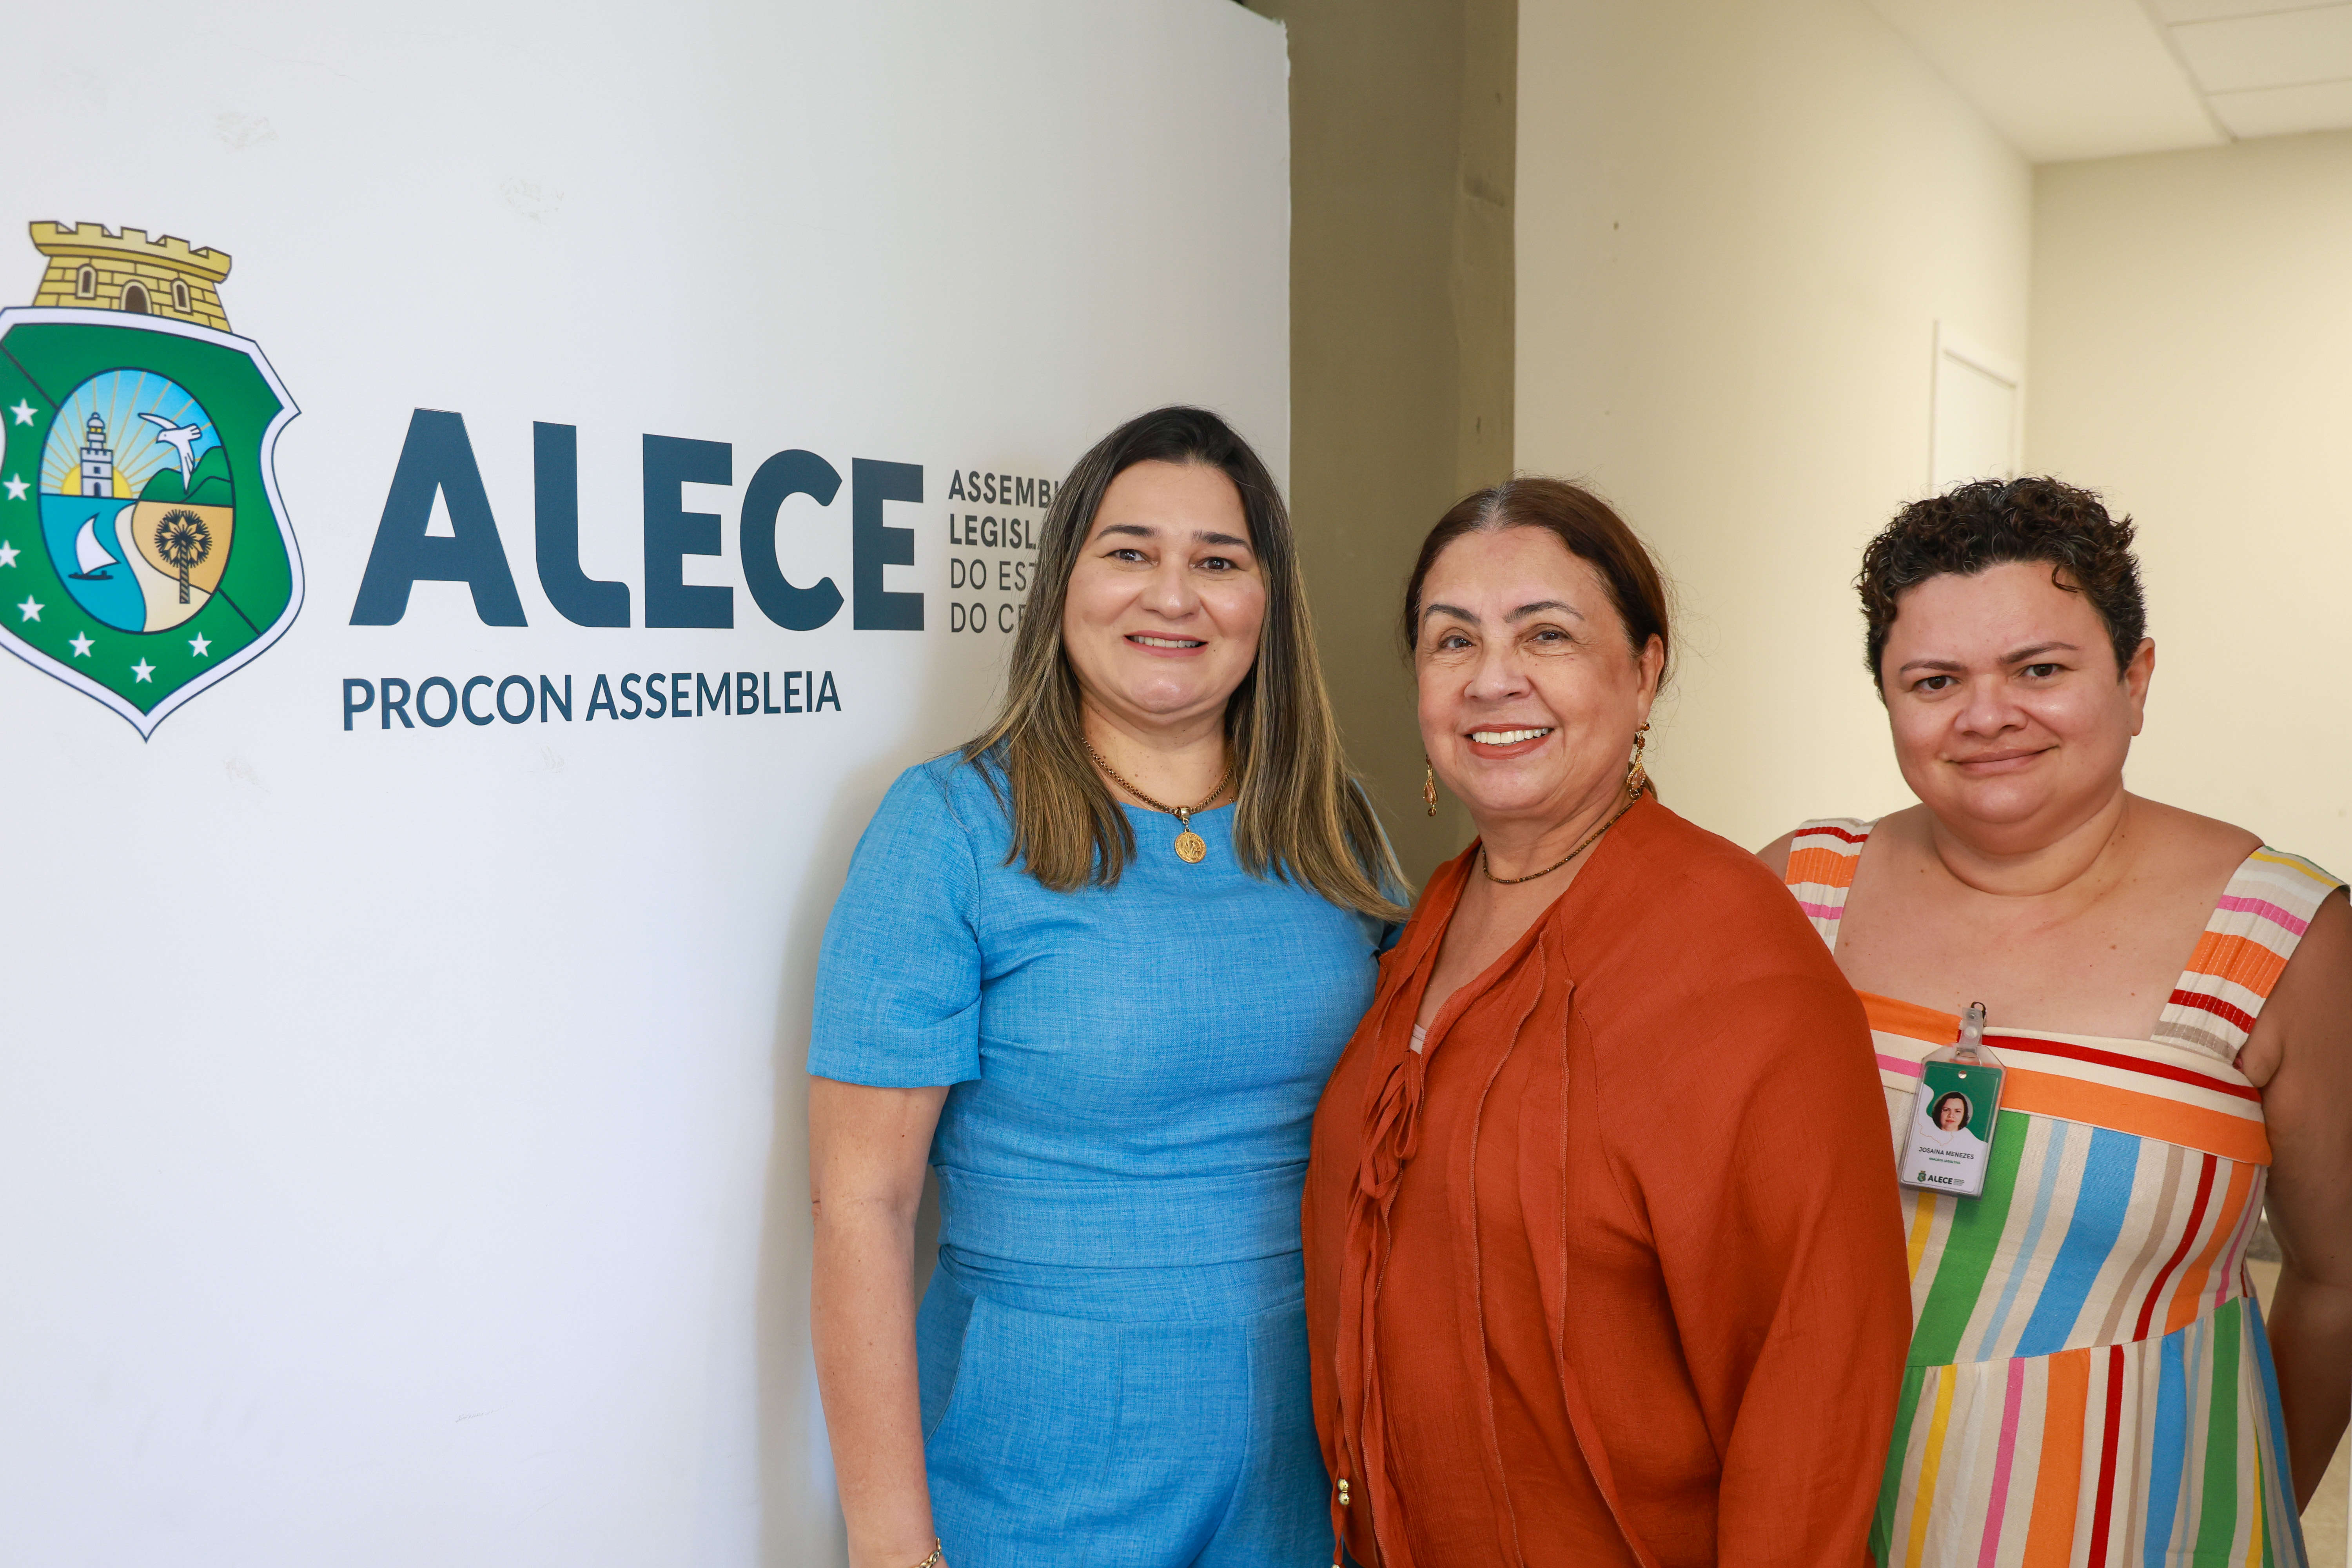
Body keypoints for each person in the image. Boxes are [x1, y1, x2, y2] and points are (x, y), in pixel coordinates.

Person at [807, 406, 1404, 1568]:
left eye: (1218, 563)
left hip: (1302, 1462)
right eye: (1130, 552)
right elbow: (861, 1206)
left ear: (1268, 604)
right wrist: (892, 1548)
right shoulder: (948, 829)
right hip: (1034, 1465)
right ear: (1063, 583)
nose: (1172, 596)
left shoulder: (1334, 826)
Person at [1302, 477, 1912, 1568]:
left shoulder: (1733, 950)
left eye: (1547, 634)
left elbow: (1816, 1371)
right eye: (1453, 641)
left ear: (1644, 672)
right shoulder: (1431, 912)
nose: (1493, 679)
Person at [1762, 476, 2352, 1566]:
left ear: (2136, 678)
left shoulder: (2279, 937)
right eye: (1935, 680)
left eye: (2040, 669)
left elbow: (2338, 1281)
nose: (1987, 715)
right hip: (1820, 1524)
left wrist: (2239, 1503)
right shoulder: (1798, 896)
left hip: (2146, 1530)